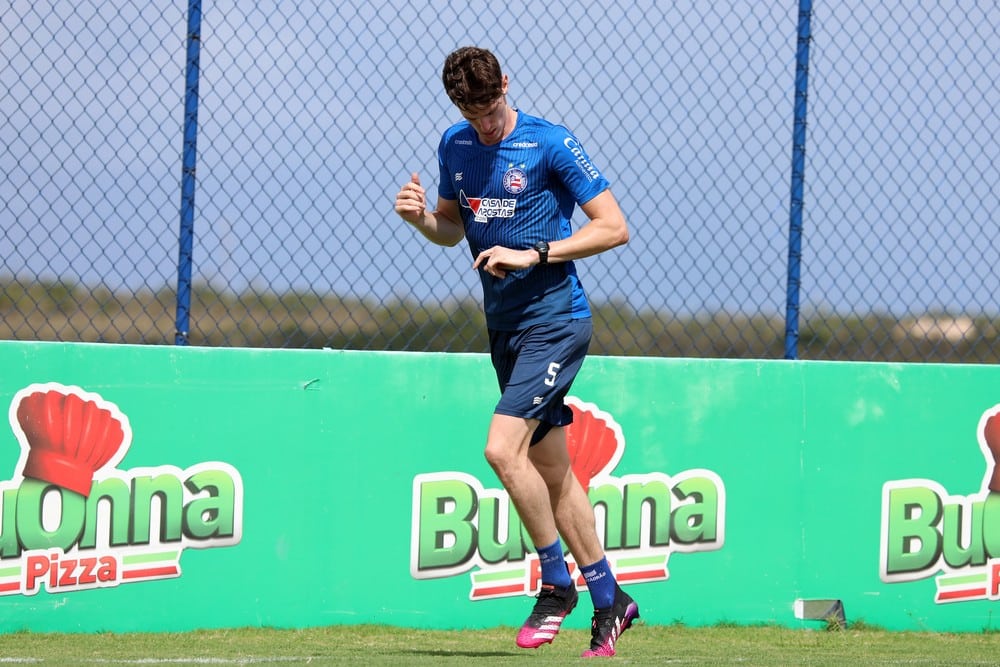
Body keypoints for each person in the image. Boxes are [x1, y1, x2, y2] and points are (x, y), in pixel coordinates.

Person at [394, 46, 638, 658]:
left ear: (506, 83)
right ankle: (612, 598)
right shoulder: (455, 145)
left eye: (490, 106)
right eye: (470, 112)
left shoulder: (549, 142)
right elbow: (453, 229)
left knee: (501, 449)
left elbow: (614, 226)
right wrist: (423, 220)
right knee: (552, 470)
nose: (484, 121)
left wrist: (536, 253)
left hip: (556, 321)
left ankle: (556, 584)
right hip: (504, 328)